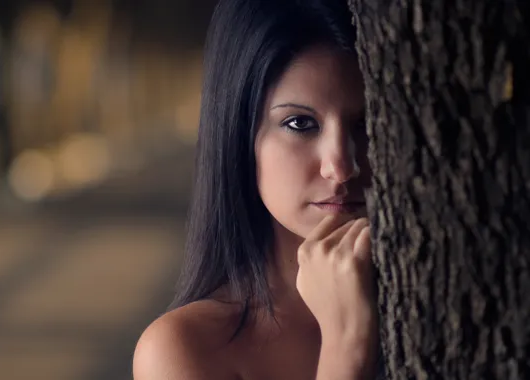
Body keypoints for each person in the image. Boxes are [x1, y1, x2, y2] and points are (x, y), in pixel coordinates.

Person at [133, 0, 379, 378]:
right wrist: (347, 347)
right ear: (239, 135)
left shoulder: (439, 292)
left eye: (365, 123)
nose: (342, 166)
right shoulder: (185, 350)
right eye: (300, 123)